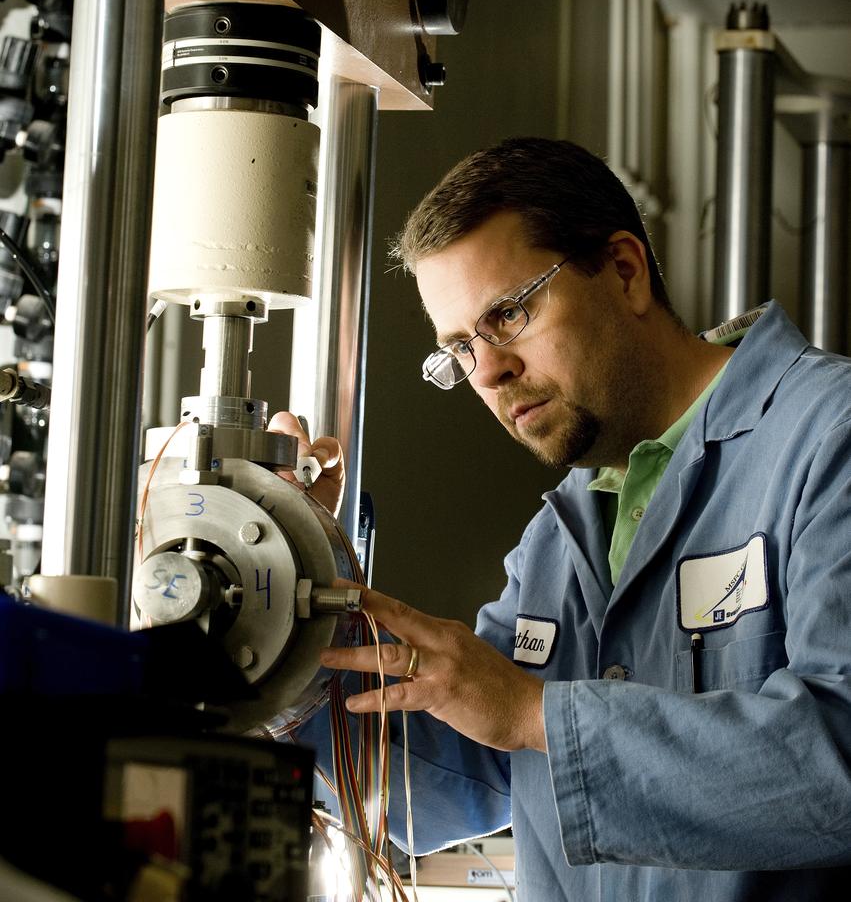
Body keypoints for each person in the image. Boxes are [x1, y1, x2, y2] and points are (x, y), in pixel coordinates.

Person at [272, 136, 851, 900]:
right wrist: (289, 590)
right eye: (457, 349)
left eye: (506, 315)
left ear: (623, 271)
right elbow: (449, 780)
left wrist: (532, 711)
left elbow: (836, 765)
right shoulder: (561, 533)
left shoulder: (826, 435)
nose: (486, 372)